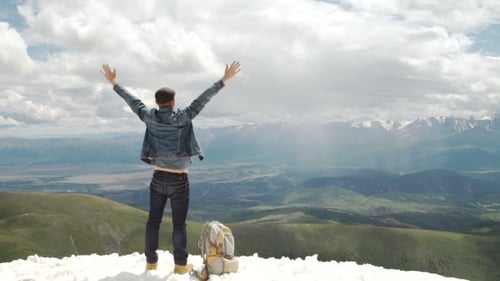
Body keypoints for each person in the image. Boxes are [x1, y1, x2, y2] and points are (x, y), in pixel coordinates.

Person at [101, 61, 241, 274]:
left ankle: (151, 263)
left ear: (157, 102)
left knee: (153, 222)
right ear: (173, 101)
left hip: (158, 178)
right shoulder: (183, 117)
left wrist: (114, 83)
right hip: (179, 180)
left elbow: (133, 101)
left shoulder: (149, 117)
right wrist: (224, 80)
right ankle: (181, 266)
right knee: (179, 225)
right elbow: (202, 100)